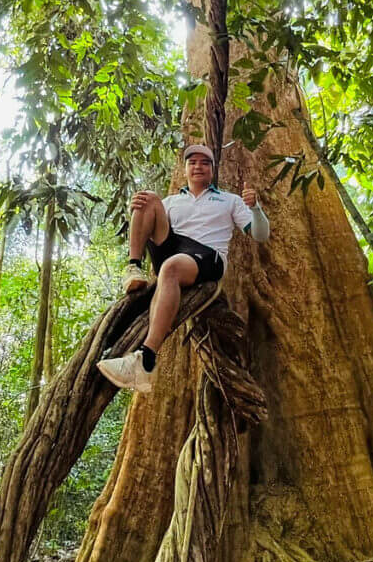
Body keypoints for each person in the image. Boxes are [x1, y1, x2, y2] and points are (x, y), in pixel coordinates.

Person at [97, 144, 270, 393]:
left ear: (212, 170)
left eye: (204, 163)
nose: (198, 166)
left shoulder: (228, 200)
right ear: (185, 169)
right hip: (174, 249)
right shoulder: (171, 202)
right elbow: (147, 225)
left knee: (171, 268)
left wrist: (255, 208)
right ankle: (133, 267)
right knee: (147, 199)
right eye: (193, 162)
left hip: (207, 256)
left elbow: (260, 235)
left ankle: (145, 360)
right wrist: (135, 208)